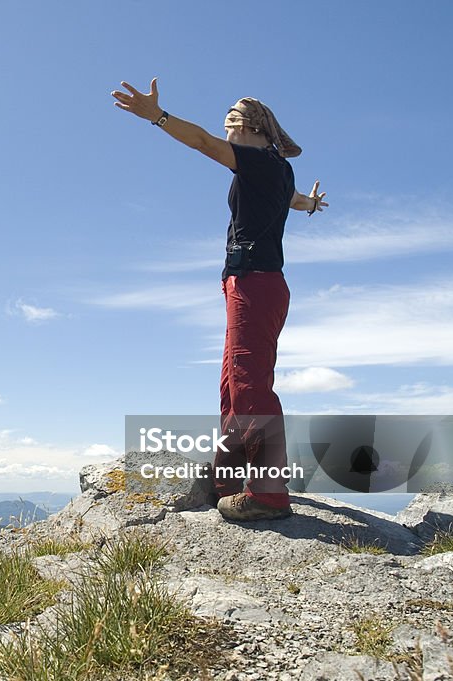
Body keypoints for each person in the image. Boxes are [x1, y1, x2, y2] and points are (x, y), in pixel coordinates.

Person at [111, 78, 327, 521]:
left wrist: (157, 116)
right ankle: (228, 477)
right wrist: (309, 206)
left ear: (251, 127)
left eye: (233, 115)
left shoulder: (257, 162)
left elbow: (202, 142)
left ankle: (269, 494)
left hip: (256, 283)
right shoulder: (274, 170)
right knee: (232, 386)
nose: (225, 122)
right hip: (252, 284)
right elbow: (292, 199)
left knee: (249, 387)